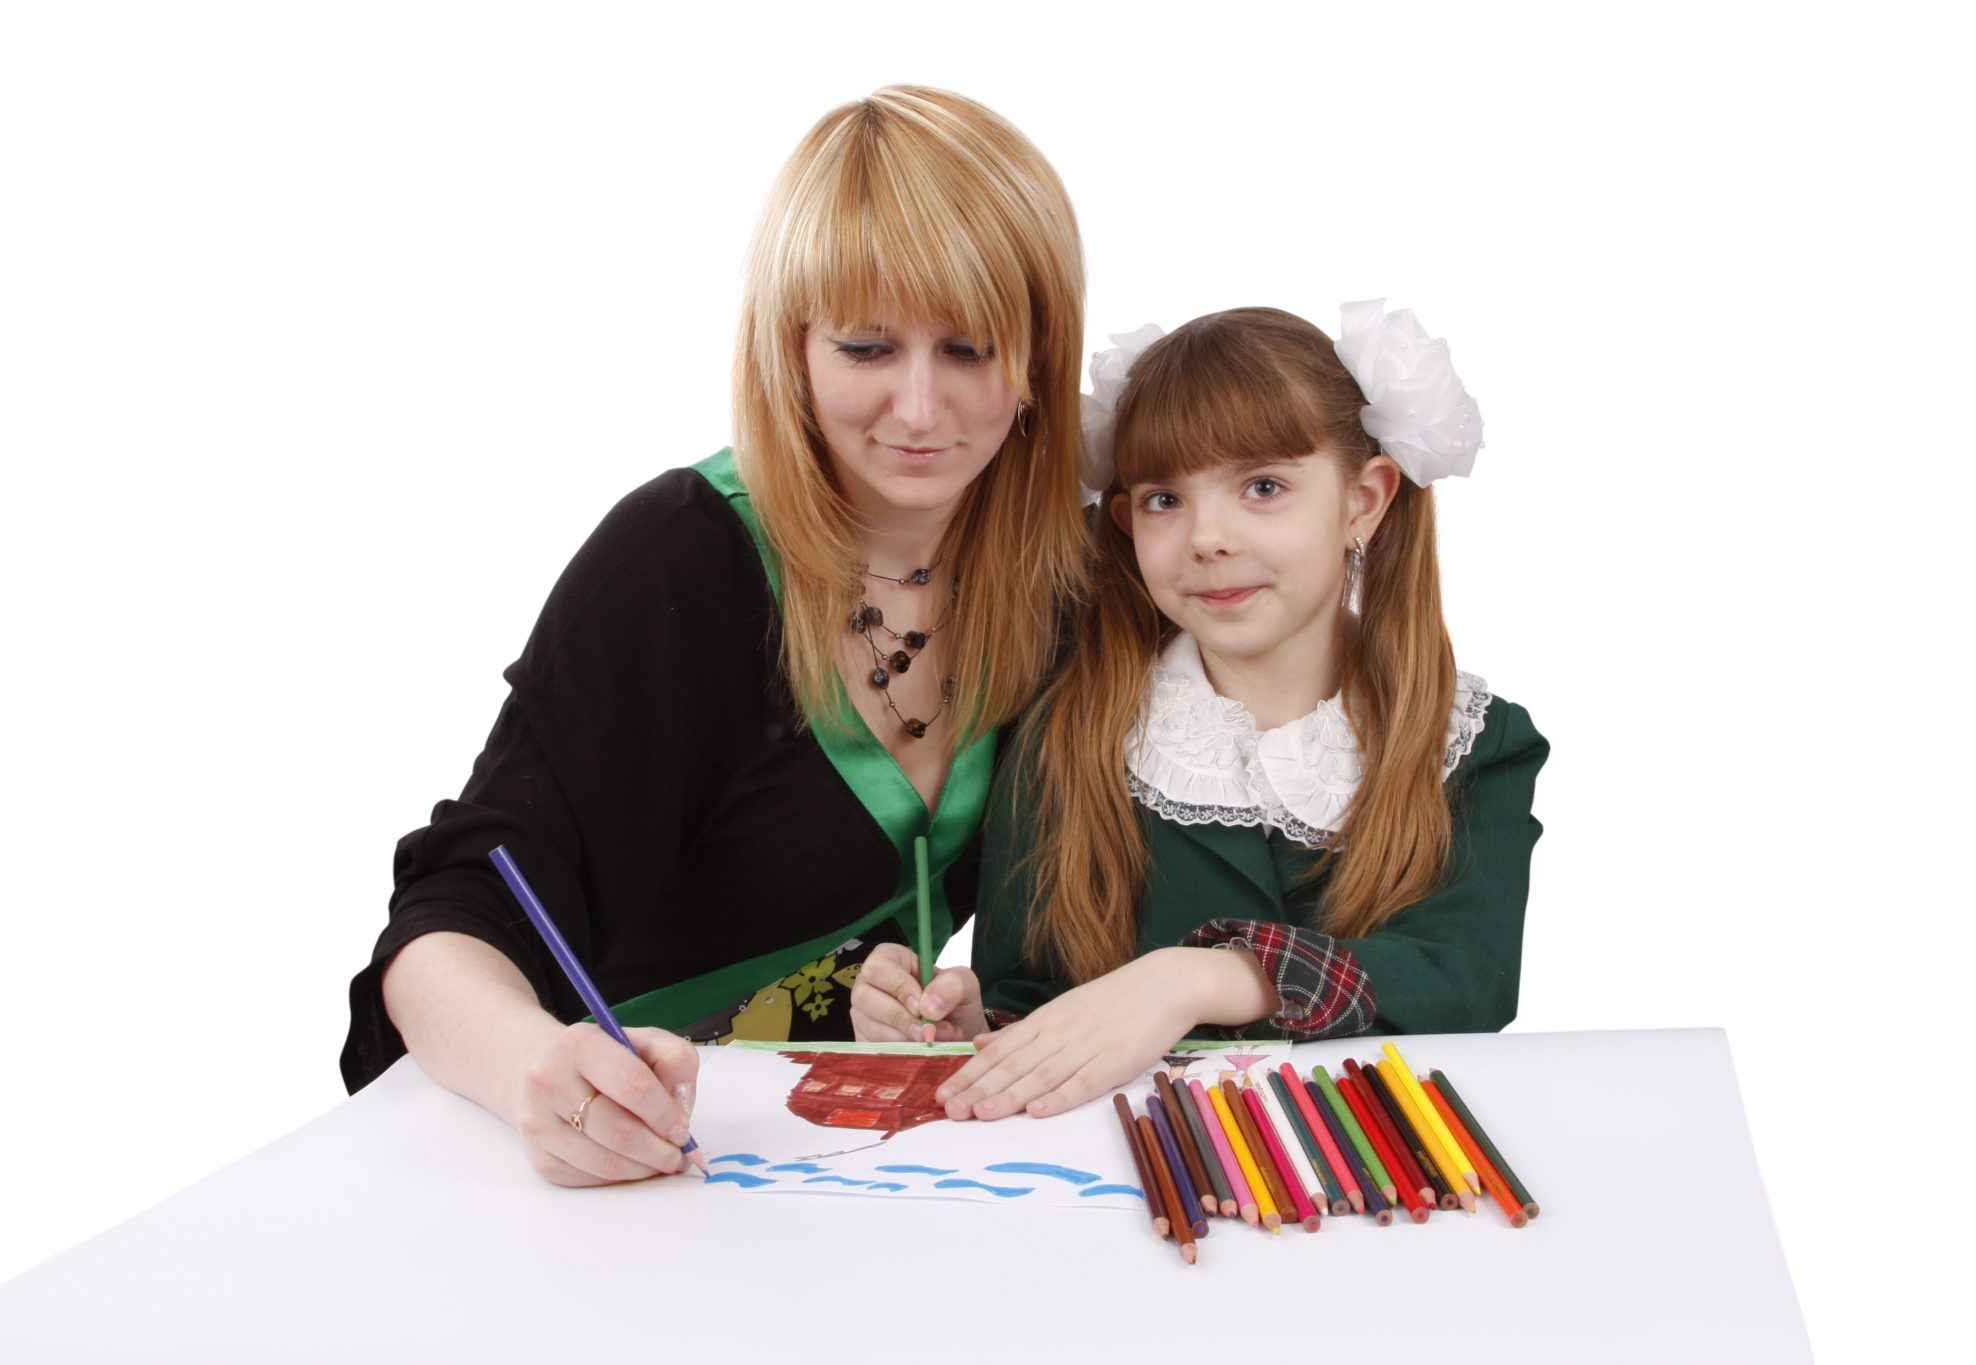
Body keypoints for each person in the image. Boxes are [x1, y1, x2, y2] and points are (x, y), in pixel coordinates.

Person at [340, 86, 1088, 1184]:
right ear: (792, 345)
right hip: (595, 1160)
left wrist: (932, 1000)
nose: (920, 409)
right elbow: (446, 926)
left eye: (970, 348)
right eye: (868, 346)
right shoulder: (677, 559)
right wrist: (536, 1071)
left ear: (1037, 354)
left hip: (835, 1166)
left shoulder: (1069, 580)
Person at [851, 303, 1548, 1122]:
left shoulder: (1471, 743)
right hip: (1143, 1181)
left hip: (1376, 1190)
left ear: (1364, 499)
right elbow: (1032, 996)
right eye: (1163, 500)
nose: (1207, 537)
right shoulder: (1069, 736)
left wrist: (1200, 977)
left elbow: (1465, 982)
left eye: (1263, 486)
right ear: (1125, 523)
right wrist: (973, 1025)